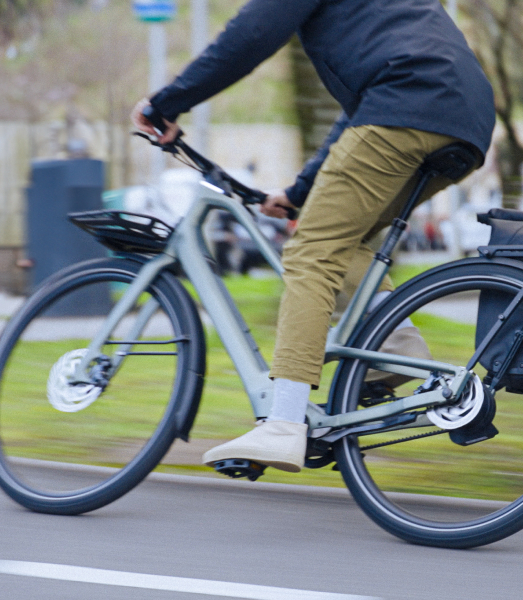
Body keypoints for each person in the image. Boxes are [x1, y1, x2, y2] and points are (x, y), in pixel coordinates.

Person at [132, 0, 496, 475]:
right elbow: (360, 110)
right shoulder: (379, 23)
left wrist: (166, 103)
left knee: (311, 252)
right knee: (342, 240)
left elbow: (252, 34)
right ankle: (398, 350)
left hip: (405, 103)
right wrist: (299, 192)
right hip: (462, 116)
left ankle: (283, 424)